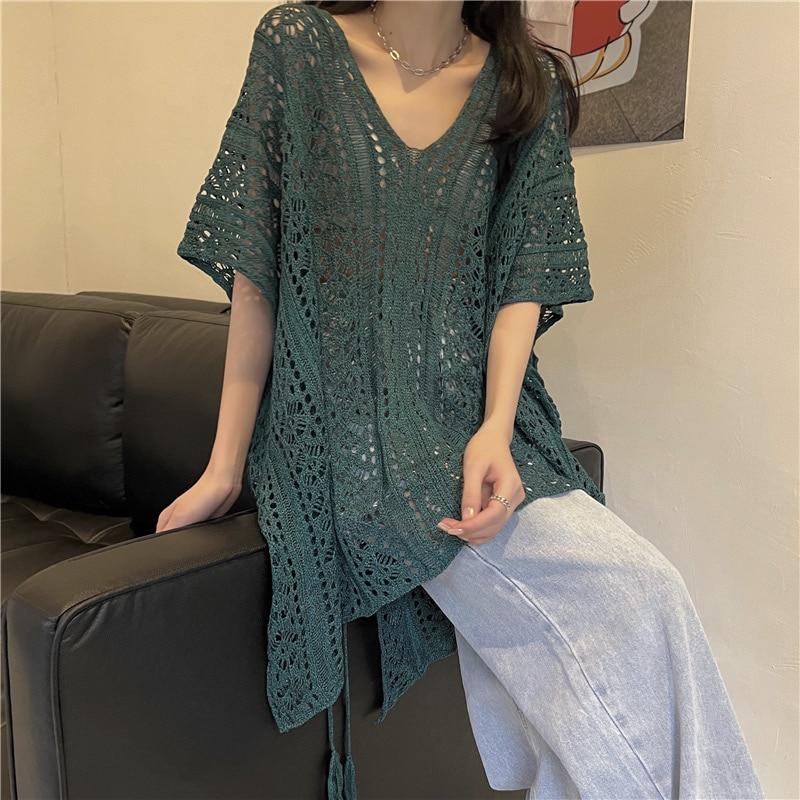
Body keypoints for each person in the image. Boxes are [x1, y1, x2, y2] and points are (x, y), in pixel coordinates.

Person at [167, 1, 765, 797]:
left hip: (476, 431)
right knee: (633, 603)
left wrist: (494, 429)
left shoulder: (524, 85)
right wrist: (224, 468)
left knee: (634, 609)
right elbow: (259, 276)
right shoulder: (298, 48)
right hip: (347, 446)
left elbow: (522, 281)